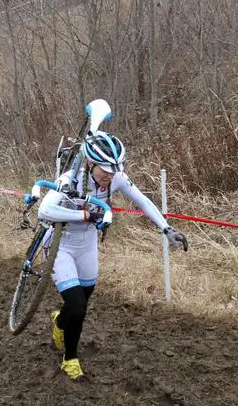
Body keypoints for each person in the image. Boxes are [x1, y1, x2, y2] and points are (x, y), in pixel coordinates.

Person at [37, 131, 188, 380]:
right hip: (60, 244)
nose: (110, 175)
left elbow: (143, 202)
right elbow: (45, 210)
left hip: (87, 245)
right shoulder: (70, 179)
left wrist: (166, 228)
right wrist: (86, 216)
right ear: (90, 163)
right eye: (105, 170)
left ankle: (60, 322)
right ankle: (70, 358)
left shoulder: (116, 177)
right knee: (77, 305)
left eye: (114, 169)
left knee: (81, 305)